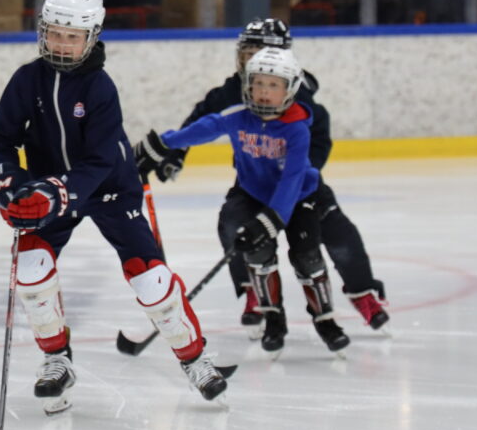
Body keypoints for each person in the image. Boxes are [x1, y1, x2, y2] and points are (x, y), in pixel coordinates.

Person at [0, 0, 230, 413]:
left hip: (110, 189)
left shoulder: (100, 88)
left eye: (72, 36)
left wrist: (57, 193)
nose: (61, 44)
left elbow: (99, 162)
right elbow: (1, 137)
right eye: (54, 33)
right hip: (48, 188)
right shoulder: (27, 80)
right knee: (31, 270)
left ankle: (196, 359)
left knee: (150, 279)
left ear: (91, 36)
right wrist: (11, 187)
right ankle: (56, 359)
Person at [135, 18, 389, 339]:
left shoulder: (300, 94)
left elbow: (318, 140)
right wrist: (168, 152)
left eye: (260, 52)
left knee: (337, 232)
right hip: (253, 183)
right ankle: (254, 291)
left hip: (299, 186)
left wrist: (297, 175)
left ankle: (363, 293)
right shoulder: (232, 91)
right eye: (246, 53)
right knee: (232, 226)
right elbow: (203, 121)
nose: (250, 62)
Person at [153, 45, 350, 358]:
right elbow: (207, 127)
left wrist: (269, 221)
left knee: (307, 256)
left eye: (273, 85)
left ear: (290, 89)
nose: (263, 92)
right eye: (257, 83)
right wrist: (162, 143)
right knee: (258, 255)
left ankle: (325, 319)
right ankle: (274, 319)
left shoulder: (298, 128)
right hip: (254, 193)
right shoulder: (240, 117)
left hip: (298, 197)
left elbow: (291, 181)